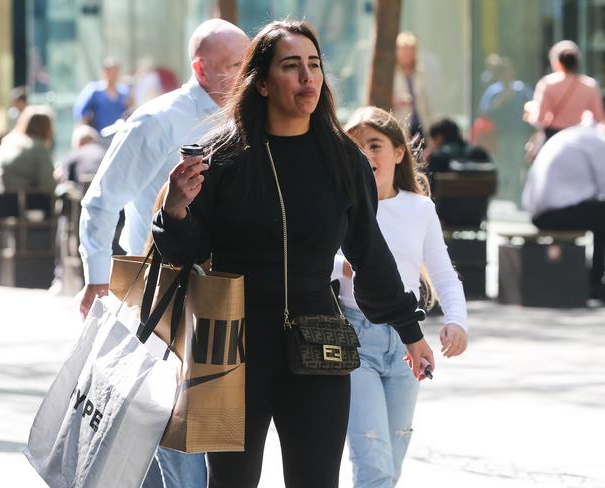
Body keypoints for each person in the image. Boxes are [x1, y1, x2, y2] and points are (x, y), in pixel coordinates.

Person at [152, 20, 435, 488]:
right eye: (291, 66)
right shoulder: (221, 158)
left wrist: (409, 329)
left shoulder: (343, 159)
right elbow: (185, 253)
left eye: (314, 64)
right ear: (261, 82)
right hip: (231, 344)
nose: (307, 76)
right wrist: (175, 210)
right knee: (232, 482)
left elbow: (369, 253)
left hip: (318, 340)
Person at [77, 19, 249, 488]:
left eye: (248, 63)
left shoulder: (251, 120)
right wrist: (96, 278)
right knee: (172, 424)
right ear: (201, 68)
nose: (244, 74)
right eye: (234, 65)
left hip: (226, 296)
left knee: (192, 431)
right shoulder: (157, 121)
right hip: (160, 297)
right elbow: (101, 201)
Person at [334, 106, 467, 488]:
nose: (366, 155)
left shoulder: (419, 209)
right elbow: (312, 259)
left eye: (374, 145)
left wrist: (457, 321)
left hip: (408, 345)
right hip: (356, 339)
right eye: (356, 147)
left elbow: (443, 274)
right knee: (372, 461)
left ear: (397, 153)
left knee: (391, 466)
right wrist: (343, 265)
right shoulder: (339, 205)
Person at [522, 121, 605, 301]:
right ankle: (596, 283)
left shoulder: (577, 134)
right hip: (553, 212)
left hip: (539, 211)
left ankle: (595, 279)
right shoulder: (597, 141)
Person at [479, 57, 533, 204]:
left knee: (517, 164)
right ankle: (500, 194)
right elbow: (485, 111)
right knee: (500, 164)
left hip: (518, 133)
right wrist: (501, 100)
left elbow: (532, 108)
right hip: (499, 134)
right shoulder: (494, 91)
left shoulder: (522, 89)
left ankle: (516, 196)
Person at [527, 40, 604, 140]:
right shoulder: (590, 85)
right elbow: (599, 118)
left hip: (554, 136)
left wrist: (530, 113)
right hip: (578, 136)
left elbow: (539, 119)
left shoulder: (548, 83)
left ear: (557, 61)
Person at [0, 105, 56, 193]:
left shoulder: (8, 142)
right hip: (25, 202)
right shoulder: (38, 147)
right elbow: (48, 185)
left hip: (0, 202)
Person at [72, 57, 131, 139]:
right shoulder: (94, 91)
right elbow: (82, 114)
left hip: (118, 137)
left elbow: (128, 113)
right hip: (99, 137)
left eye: (115, 73)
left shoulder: (124, 92)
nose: (112, 76)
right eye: (109, 72)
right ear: (104, 72)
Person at [392, 32, 433, 140]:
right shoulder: (391, 74)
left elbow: (427, 103)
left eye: (411, 50)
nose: (408, 54)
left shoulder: (421, 73)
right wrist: (396, 102)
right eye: (405, 50)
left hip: (420, 125)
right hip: (400, 124)